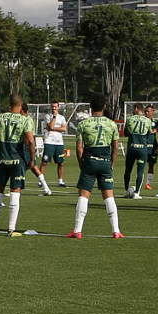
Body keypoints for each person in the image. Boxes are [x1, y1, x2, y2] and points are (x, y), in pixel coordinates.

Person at [67, 93, 124, 239]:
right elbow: (115, 147)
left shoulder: (83, 124)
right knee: (109, 196)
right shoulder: (112, 124)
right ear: (104, 106)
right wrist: (111, 164)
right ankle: (116, 230)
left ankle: (77, 230)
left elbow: (79, 148)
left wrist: (81, 164)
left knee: (84, 195)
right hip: (105, 162)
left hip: (90, 161)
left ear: (90, 106)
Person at [0, 93, 35, 237]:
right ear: (21, 105)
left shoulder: (1, 117)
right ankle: (11, 229)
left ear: (9, 104)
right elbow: (31, 140)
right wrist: (32, 159)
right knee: (15, 192)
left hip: (2, 159)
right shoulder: (26, 120)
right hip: (17, 160)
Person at [122, 104, 154, 199]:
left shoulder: (129, 119)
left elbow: (126, 133)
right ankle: (137, 193)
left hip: (132, 147)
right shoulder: (147, 120)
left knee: (128, 170)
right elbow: (148, 134)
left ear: (136, 109)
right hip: (142, 148)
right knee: (140, 171)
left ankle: (126, 190)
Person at [41, 101, 68, 187]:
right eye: (52, 107)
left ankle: (60, 181)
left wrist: (54, 128)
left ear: (58, 107)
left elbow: (64, 129)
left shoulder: (62, 117)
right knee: (45, 162)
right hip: (49, 141)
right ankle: (41, 180)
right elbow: (50, 126)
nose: (54, 108)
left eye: (55, 107)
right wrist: (54, 117)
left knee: (61, 162)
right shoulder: (47, 116)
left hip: (59, 143)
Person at [144, 106, 158, 191]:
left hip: (153, 147)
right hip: (143, 146)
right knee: (141, 164)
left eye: (148, 111)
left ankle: (148, 183)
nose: (146, 113)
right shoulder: (142, 121)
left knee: (151, 165)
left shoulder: (156, 122)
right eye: (145, 111)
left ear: (152, 112)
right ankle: (139, 182)